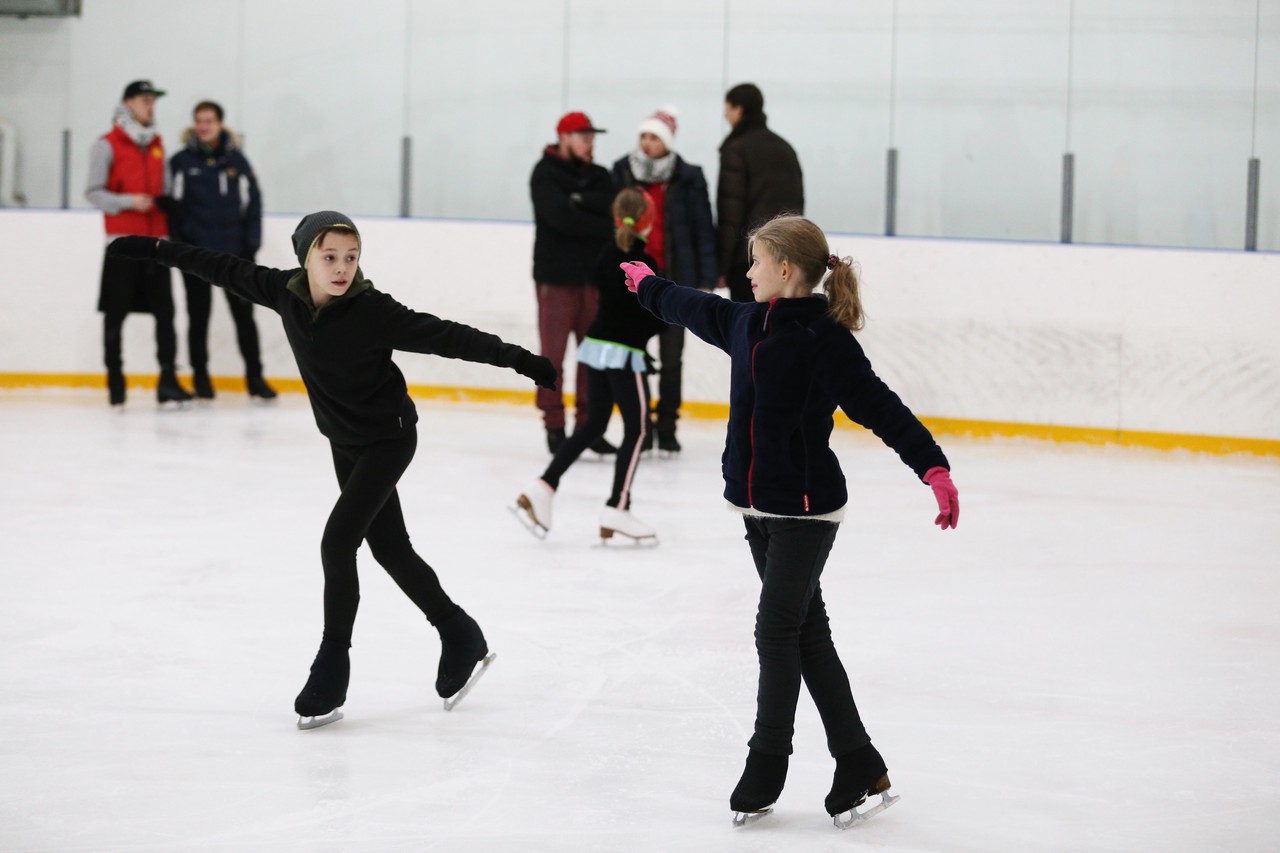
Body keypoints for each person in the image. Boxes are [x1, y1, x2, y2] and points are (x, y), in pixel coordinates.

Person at [106, 211, 558, 729]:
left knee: (337, 543)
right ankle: (460, 634)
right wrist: (156, 249)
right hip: (345, 443)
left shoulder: (372, 310)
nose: (342, 268)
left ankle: (332, 668)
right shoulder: (284, 293)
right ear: (306, 258)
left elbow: (448, 336)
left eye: (351, 257)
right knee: (390, 548)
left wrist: (521, 360)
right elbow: (218, 266)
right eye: (330, 257)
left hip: (389, 438)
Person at [620, 214, 959, 826]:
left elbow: (882, 407)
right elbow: (689, 305)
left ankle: (766, 762)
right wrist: (648, 285)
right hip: (756, 507)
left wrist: (932, 468)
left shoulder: (825, 341)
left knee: (775, 630)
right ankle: (858, 759)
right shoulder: (746, 321)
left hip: (806, 511)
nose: (745, 273)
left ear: (786, 269)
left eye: (755, 262)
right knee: (806, 632)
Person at [514, 188, 667, 545]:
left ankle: (543, 486)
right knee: (639, 428)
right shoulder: (646, 264)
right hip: (624, 353)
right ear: (648, 220)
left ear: (616, 218)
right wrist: (673, 315)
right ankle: (618, 505)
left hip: (597, 347)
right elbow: (645, 316)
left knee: (595, 421)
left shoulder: (605, 255)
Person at [611, 106, 717, 455]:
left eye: (654, 136)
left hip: (675, 283)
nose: (647, 142)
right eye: (643, 135)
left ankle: (668, 426)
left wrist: (705, 279)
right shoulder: (623, 172)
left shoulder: (689, 177)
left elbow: (703, 229)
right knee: (635, 357)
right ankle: (640, 426)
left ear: (668, 141)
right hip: (634, 282)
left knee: (672, 361)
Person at [86, 79, 191, 407]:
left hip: (157, 244)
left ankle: (168, 381)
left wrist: (167, 201)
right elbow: (93, 192)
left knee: (166, 314)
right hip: (122, 244)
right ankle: (115, 382)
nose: (151, 106)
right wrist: (129, 201)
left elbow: (164, 188)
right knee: (115, 315)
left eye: (153, 101)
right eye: (146, 100)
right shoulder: (106, 145)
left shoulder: (157, 144)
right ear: (129, 103)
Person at [168, 100, 276, 400]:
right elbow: (172, 209)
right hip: (196, 257)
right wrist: (180, 249)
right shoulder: (180, 162)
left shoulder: (237, 161)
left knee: (244, 318)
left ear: (219, 124)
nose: (204, 126)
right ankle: (201, 378)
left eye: (209, 121)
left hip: (234, 257)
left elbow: (253, 204)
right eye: (199, 121)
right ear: (194, 124)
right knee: (197, 318)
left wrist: (250, 246)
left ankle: (255, 378)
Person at [530, 111, 618, 456]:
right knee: (552, 358)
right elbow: (559, 219)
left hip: (594, 281)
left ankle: (589, 427)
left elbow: (609, 217)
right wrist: (586, 214)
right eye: (583, 136)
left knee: (593, 357)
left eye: (592, 137)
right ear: (564, 137)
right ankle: (555, 426)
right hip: (555, 281)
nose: (590, 143)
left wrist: (578, 203)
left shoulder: (600, 175)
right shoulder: (544, 173)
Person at [717, 83, 804, 303]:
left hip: (748, 260)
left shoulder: (736, 149)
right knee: (776, 327)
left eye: (727, 107)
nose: (724, 114)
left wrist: (721, 266)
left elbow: (731, 213)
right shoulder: (785, 148)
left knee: (748, 328)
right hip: (785, 258)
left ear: (739, 110)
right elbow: (797, 206)